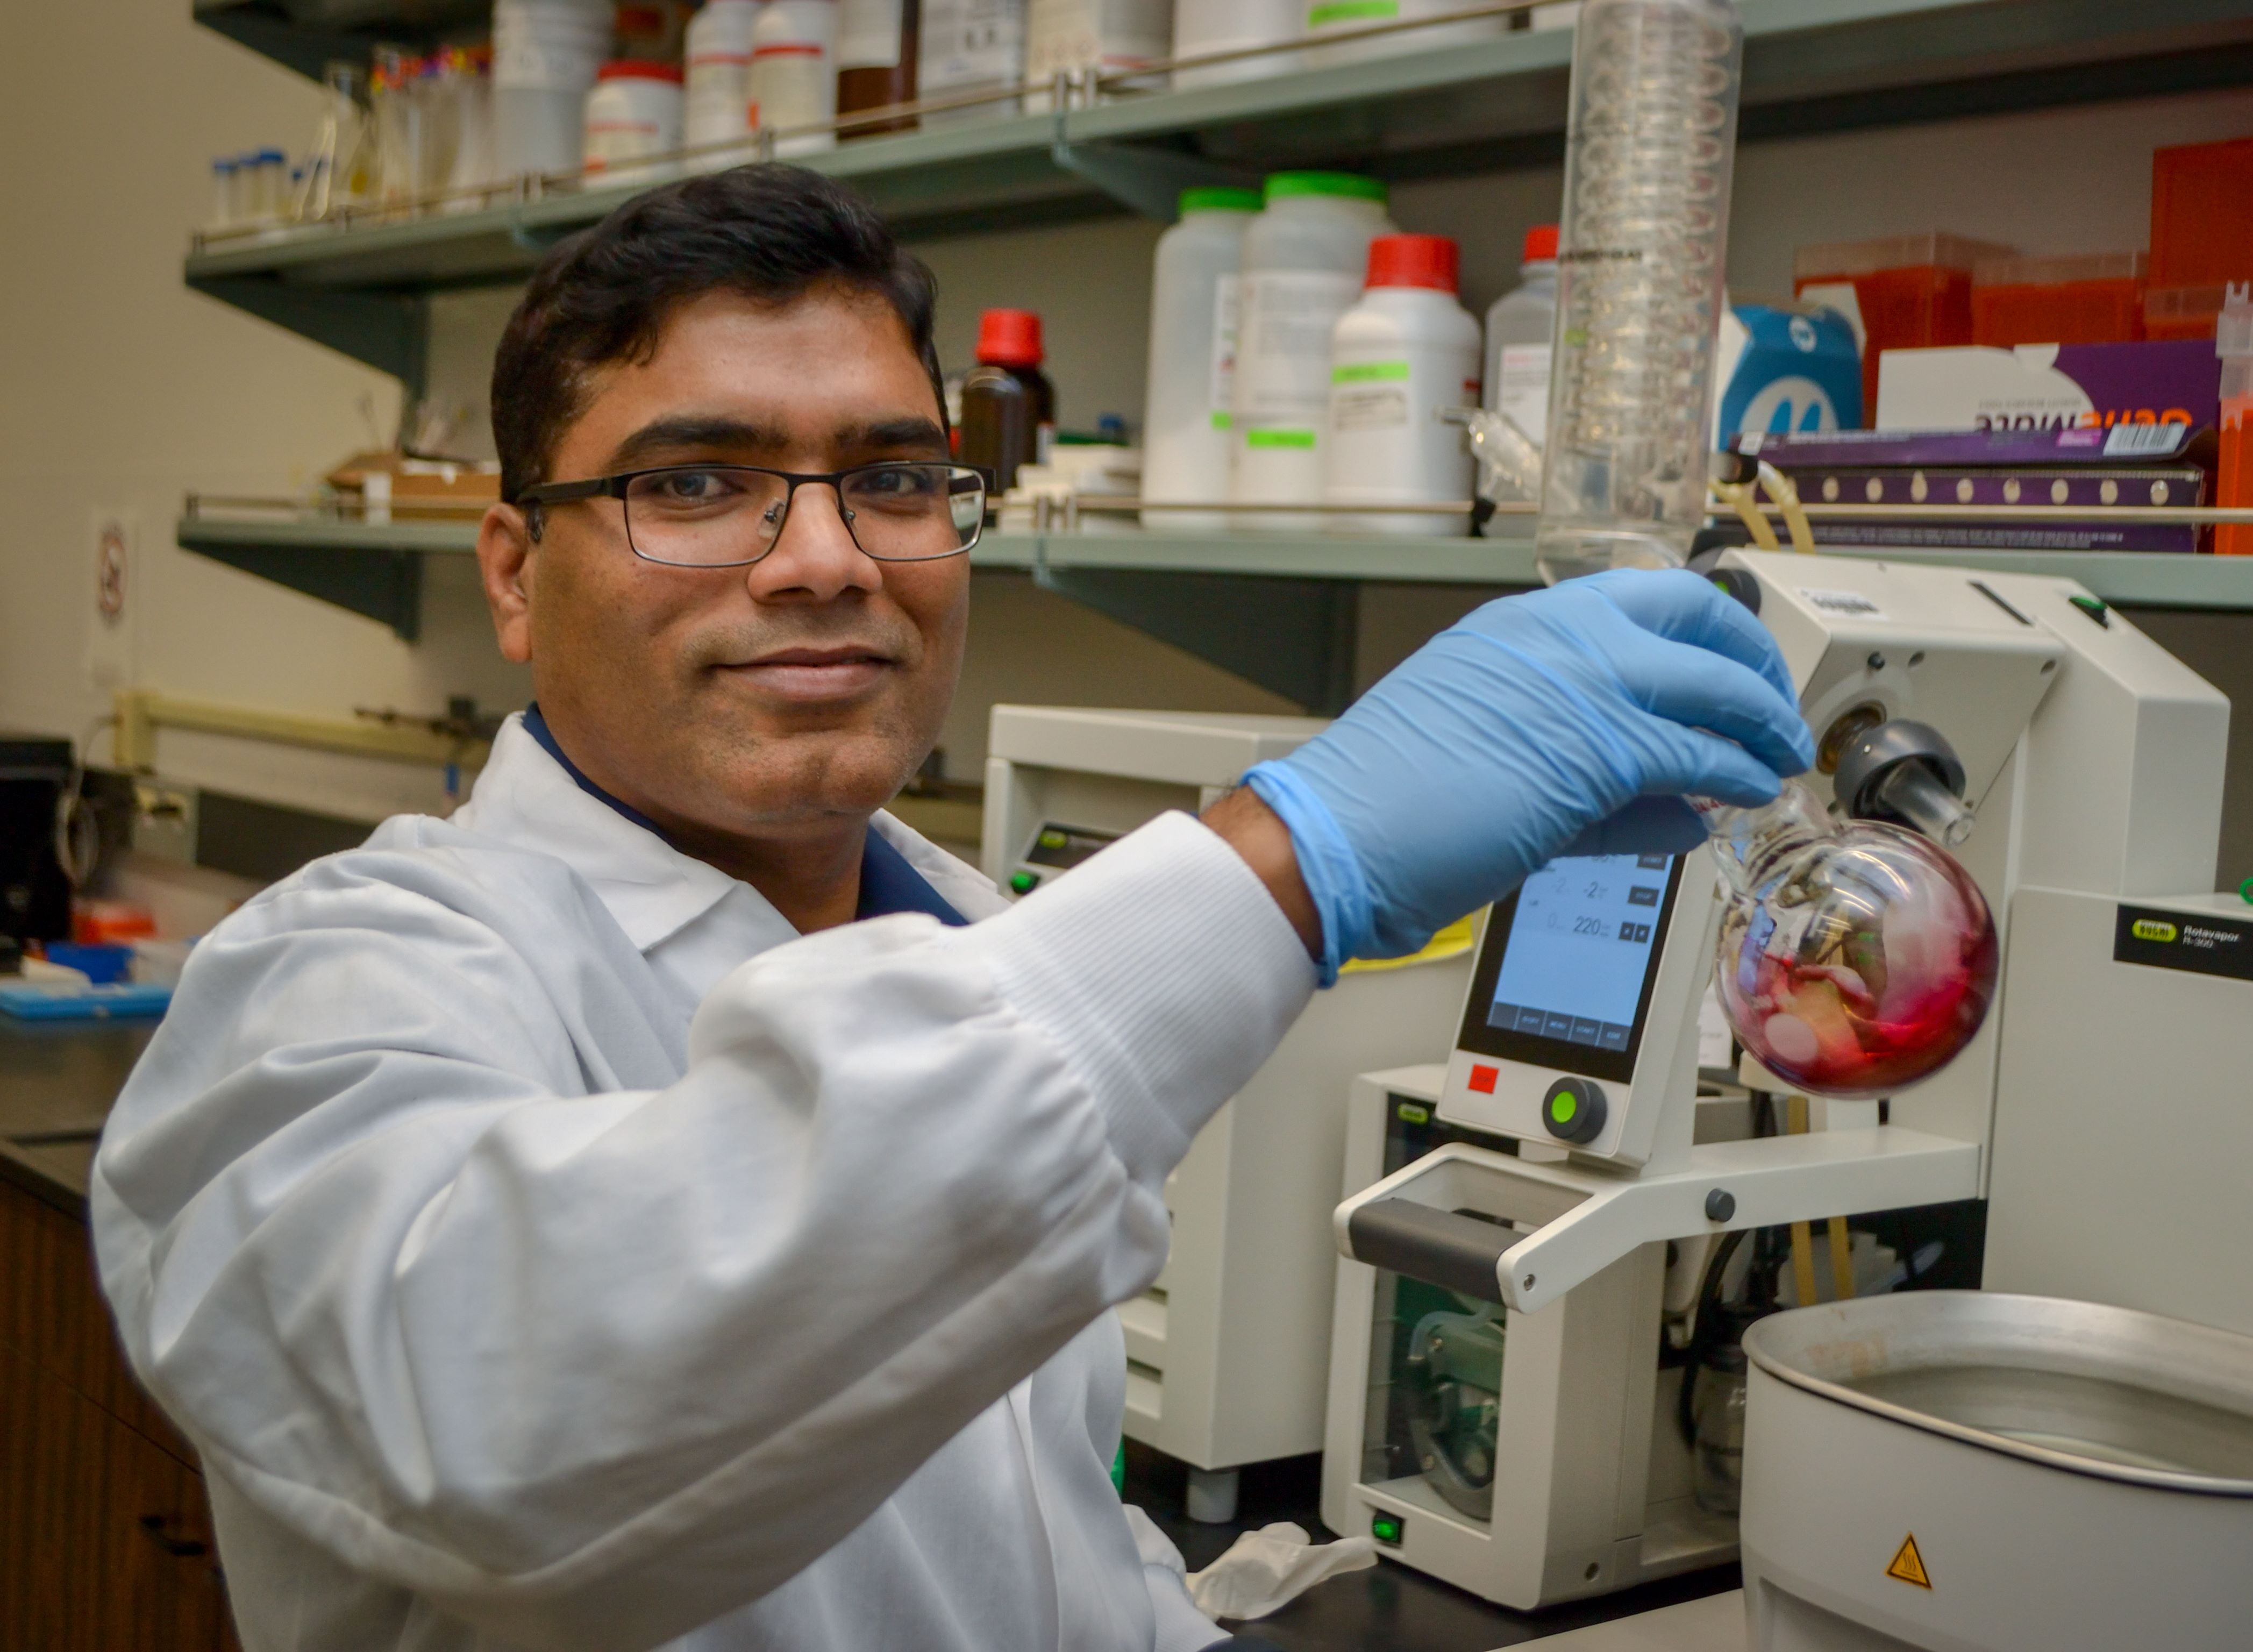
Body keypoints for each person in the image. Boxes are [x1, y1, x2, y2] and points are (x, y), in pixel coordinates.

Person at [92, 166, 1813, 1652]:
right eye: (693, 484)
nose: (827, 557)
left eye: (896, 478)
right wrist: (1290, 859)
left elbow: (1040, 1541)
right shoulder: (327, 985)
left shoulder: (985, 940)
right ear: (516, 574)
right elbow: (497, 1443)